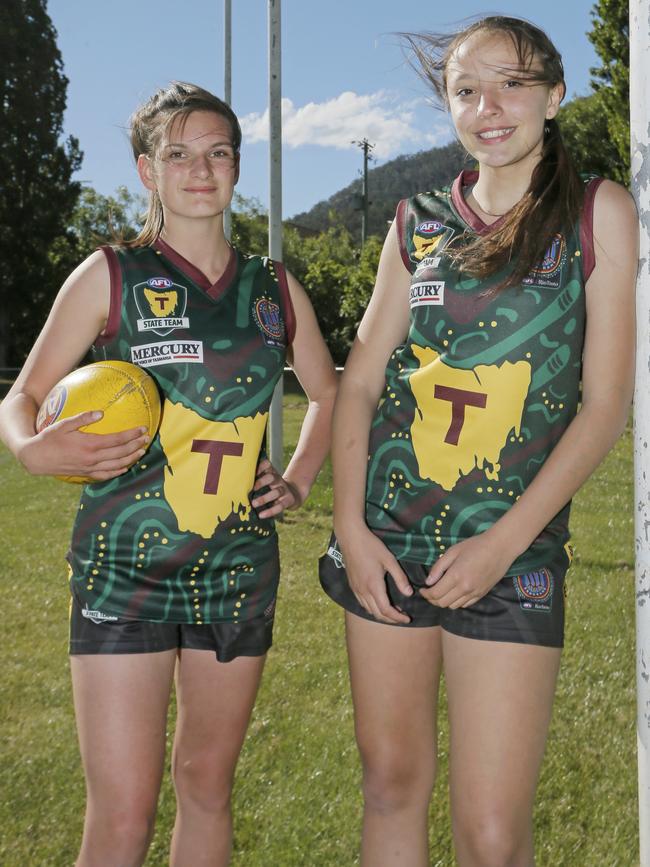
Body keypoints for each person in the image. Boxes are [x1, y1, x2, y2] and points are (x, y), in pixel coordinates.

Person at [319, 16, 637, 867]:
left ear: (554, 95)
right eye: (467, 89)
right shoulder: (415, 221)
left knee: (492, 834)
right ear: (447, 103)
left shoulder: (599, 212)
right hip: (389, 539)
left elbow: (603, 407)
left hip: (512, 549)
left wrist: (505, 542)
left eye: (512, 84)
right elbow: (359, 379)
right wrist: (351, 528)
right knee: (390, 783)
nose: (488, 107)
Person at [0, 82, 337, 867]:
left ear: (235, 168)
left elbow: (328, 390)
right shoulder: (110, 275)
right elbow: (23, 395)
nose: (200, 168)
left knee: (207, 786)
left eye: (218, 151)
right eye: (178, 153)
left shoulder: (273, 288)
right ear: (147, 170)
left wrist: (299, 476)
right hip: (124, 571)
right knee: (122, 814)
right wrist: (28, 447)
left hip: (237, 570)